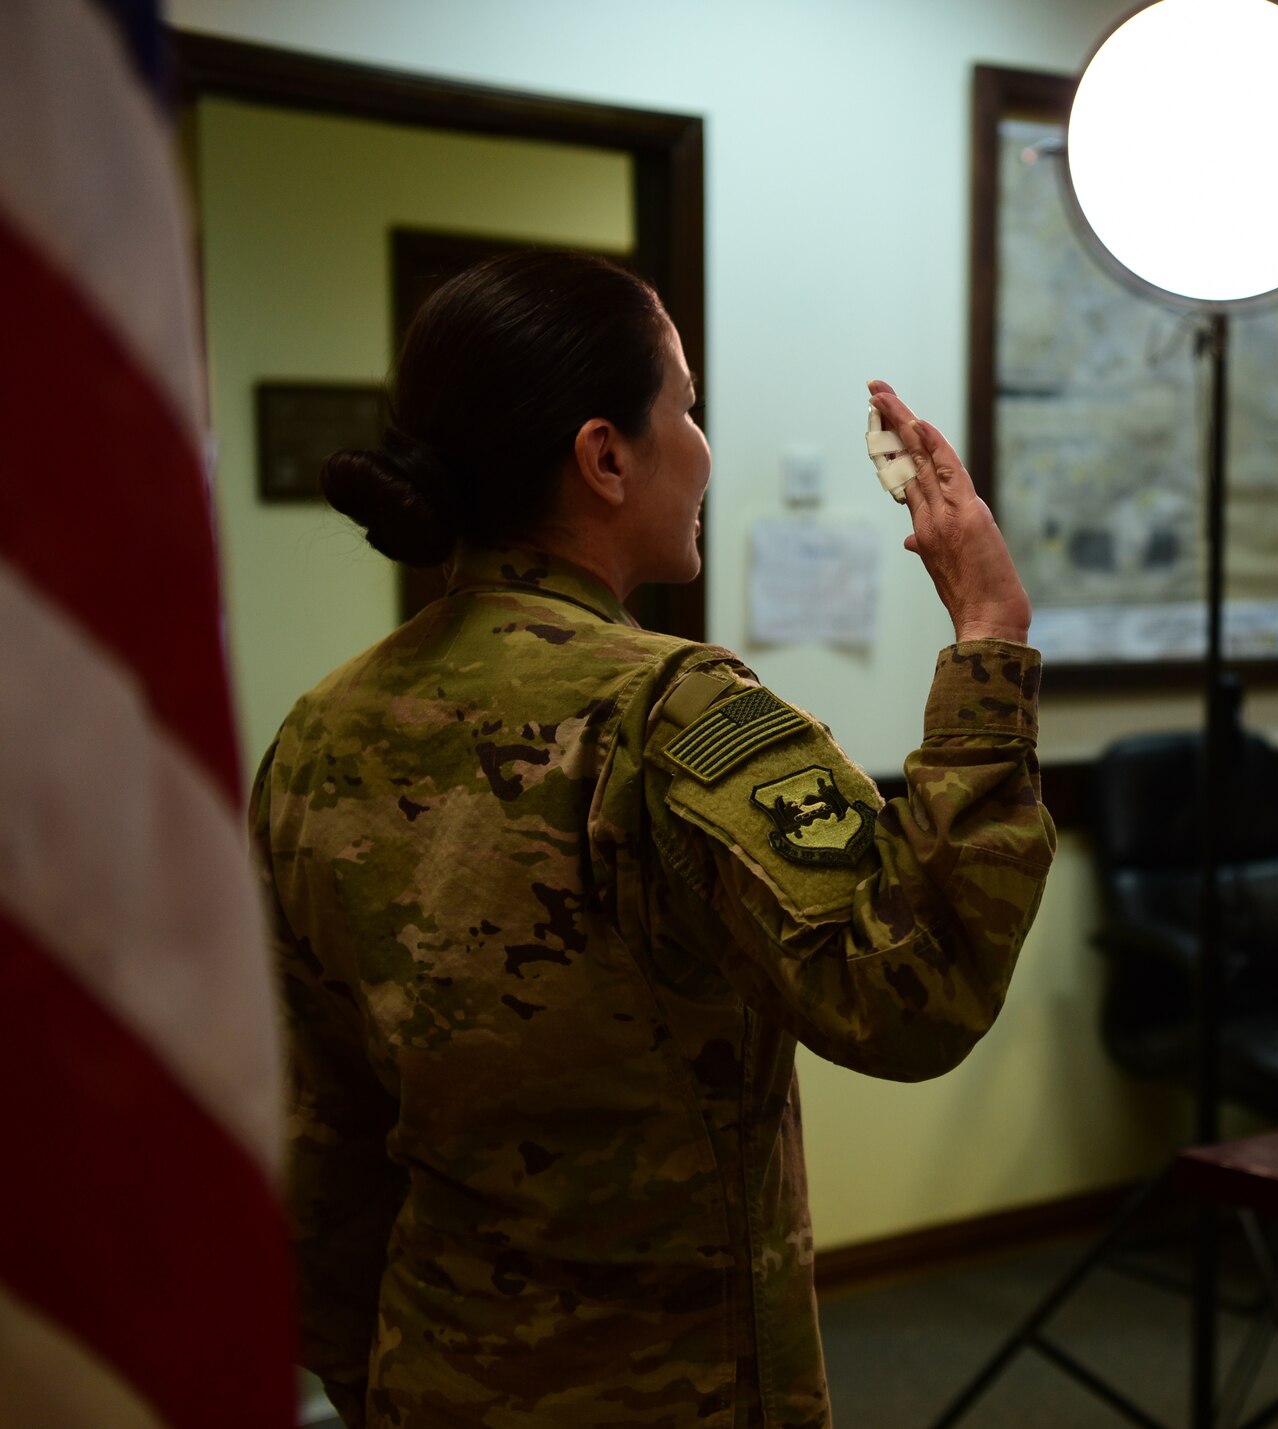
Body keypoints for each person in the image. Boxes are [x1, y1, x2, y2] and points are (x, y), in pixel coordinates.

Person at [250, 250, 1056, 1429]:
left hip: (431, 1366)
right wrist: (988, 628)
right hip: (672, 1387)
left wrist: (363, 1370)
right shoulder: (675, 713)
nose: (703, 443)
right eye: (684, 403)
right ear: (605, 455)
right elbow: (911, 993)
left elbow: (316, 1122)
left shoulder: (323, 727)